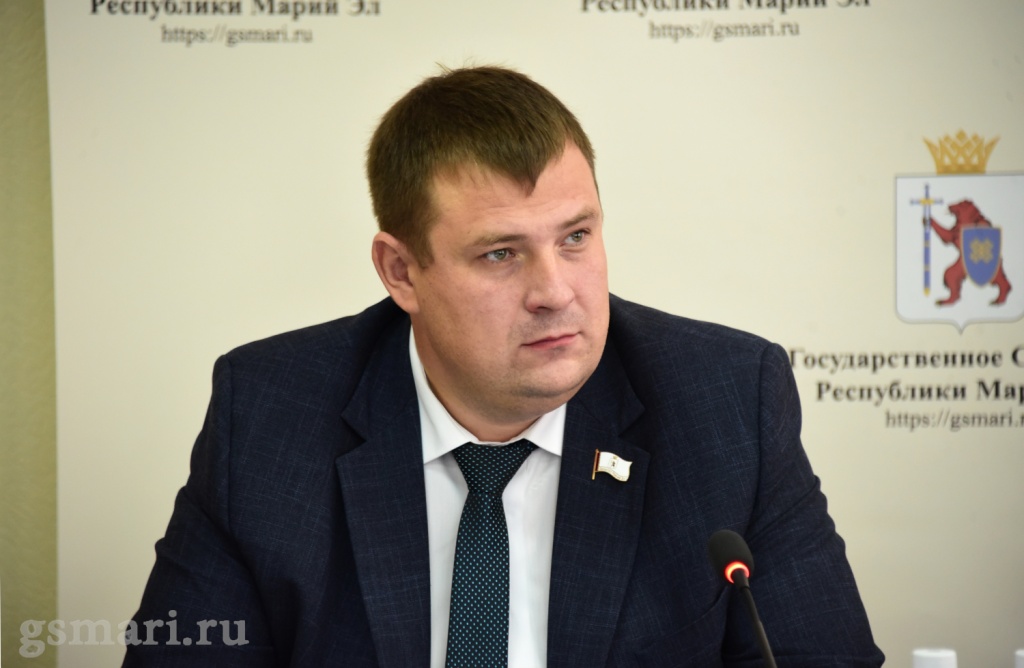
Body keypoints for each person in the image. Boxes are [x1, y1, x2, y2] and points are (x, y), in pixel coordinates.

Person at [124, 66, 883, 667]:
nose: (556, 292)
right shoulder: (268, 415)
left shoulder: (726, 403)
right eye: (499, 254)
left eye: (576, 237)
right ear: (402, 272)